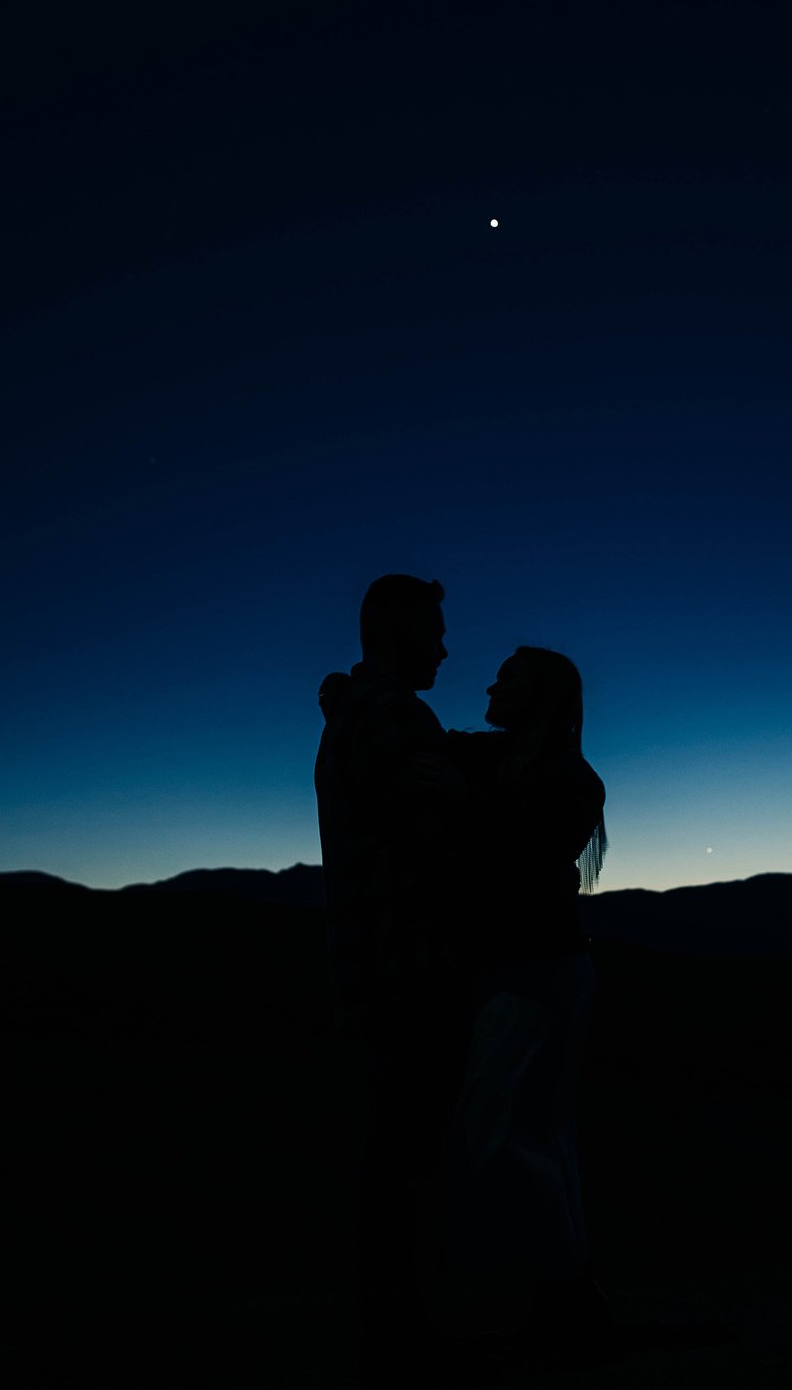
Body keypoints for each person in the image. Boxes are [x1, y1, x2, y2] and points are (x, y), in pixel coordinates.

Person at [415, 646, 622, 1371]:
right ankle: (568, 1306)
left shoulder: (568, 779)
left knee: (508, 1133)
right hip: (522, 971)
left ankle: (564, 1302)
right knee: (535, 1135)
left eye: (509, 678)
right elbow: (428, 743)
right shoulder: (506, 760)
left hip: (540, 974)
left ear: (540, 697)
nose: (492, 685)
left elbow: (512, 855)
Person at [314, 575, 494, 1390]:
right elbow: (435, 843)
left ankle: (394, 1326)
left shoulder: (363, 711)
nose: (447, 648)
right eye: (435, 631)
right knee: (410, 1152)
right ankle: (401, 1336)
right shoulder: (390, 715)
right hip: (409, 962)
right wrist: (469, 804)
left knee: (394, 1147)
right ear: (398, 632)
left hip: (374, 959)